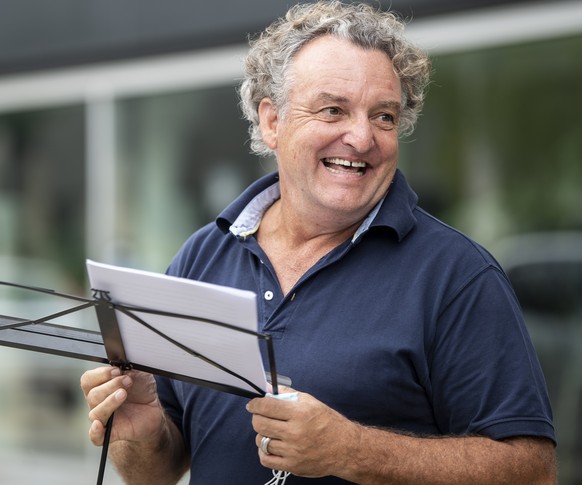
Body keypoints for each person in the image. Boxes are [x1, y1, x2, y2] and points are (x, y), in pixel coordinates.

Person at [80, 2, 557, 483]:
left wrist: (352, 451)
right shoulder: (203, 255)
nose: (362, 136)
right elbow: (154, 472)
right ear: (272, 122)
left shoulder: (457, 276)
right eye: (334, 110)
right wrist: (141, 431)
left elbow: (533, 472)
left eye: (384, 116)